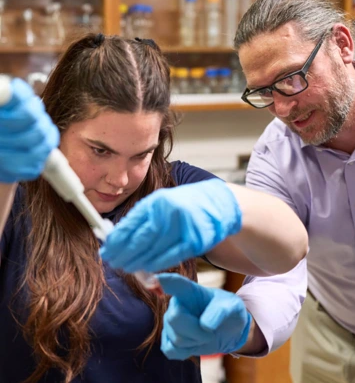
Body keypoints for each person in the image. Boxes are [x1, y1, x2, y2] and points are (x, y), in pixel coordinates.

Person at [0, 33, 307, 383]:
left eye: (140, 155)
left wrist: (225, 204)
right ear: (57, 125)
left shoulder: (174, 188)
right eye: (100, 151)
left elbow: (291, 248)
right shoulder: (16, 196)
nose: (118, 180)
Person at [233, 0, 355, 383]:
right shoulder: (275, 155)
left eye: (291, 78)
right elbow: (277, 271)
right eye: (265, 92)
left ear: (342, 45)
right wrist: (237, 325)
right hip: (332, 326)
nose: (283, 107)